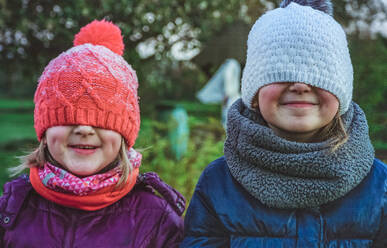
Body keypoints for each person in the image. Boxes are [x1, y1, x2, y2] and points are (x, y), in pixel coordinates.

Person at [181, 0, 387, 247]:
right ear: (254, 93)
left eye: (318, 71)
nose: (300, 85)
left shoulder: (379, 187)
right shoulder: (219, 183)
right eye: (280, 72)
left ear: (342, 89)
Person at [0, 20, 185, 247]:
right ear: (44, 132)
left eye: (101, 119)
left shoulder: (157, 220)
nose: (84, 129)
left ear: (124, 135)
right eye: (66, 117)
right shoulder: (12, 210)